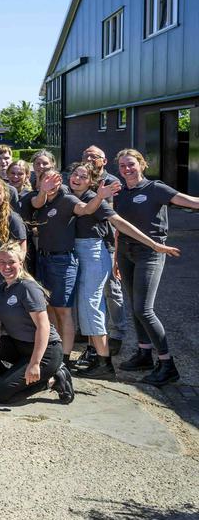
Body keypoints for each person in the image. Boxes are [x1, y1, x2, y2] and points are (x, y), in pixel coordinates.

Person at [67, 161, 177, 378]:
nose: (77, 178)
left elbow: (120, 224)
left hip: (95, 256)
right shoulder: (69, 196)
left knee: (94, 306)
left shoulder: (93, 199)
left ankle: (104, 363)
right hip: (79, 255)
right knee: (88, 306)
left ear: (91, 182)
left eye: (83, 176)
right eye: (75, 174)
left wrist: (154, 244)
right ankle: (97, 355)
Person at [111, 149, 194, 385]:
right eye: (123, 166)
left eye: (131, 164)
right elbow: (119, 228)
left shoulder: (155, 189)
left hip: (151, 253)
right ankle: (144, 353)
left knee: (144, 309)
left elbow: (189, 201)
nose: (127, 169)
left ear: (142, 165)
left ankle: (167, 364)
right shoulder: (120, 192)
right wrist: (116, 258)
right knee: (135, 306)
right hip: (126, 252)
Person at [28, 168, 118, 365]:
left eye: (55, 180)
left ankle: (66, 359)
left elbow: (86, 209)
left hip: (62, 262)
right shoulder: (41, 202)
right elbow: (36, 204)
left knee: (64, 311)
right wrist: (43, 191)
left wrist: (100, 196)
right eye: (46, 180)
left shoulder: (68, 199)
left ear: (61, 181)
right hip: (43, 260)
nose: (51, 183)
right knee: (49, 309)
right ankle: (56, 352)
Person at [0, 242, 74, 404]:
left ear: (21, 263)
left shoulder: (28, 288)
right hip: (20, 348)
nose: (6, 266)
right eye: (2, 262)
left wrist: (35, 363)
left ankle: (52, 379)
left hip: (45, 352)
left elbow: (43, 326)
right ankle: (10, 380)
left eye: (11, 262)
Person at [81, 145, 125, 352]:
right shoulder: (80, 178)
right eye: (86, 155)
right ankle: (92, 334)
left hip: (107, 241)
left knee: (112, 290)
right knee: (91, 292)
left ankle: (117, 333)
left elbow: (116, 215)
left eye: (94, 156)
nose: (89, 158)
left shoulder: (112, 183)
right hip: (86, 241)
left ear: (104, 161)